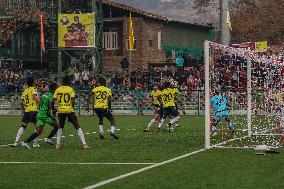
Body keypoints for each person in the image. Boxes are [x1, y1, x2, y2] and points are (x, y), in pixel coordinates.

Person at [53, 76, 89, 149]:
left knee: (60, 127)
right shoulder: (70, 89)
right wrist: (72, 108)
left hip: (61, 111)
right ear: (68, 82)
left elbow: (52, 102)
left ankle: (58, 145)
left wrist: (54, 110)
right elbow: (72, 100)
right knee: (77, 126)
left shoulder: (58, 89)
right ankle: (84, 144)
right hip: (69, 110)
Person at [21, 83, 59, 149]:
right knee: (57, 126)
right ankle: (48, 139)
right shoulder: (51, 95)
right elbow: (50, 105)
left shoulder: (44, 94)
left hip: (39, 114)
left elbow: (39, 102)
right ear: (54, 89)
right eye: (56, 88)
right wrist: (55, 110)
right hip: (44, 114)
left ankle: (25, 142)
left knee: (38, 132)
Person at [12, 77, 40, 147]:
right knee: (38, 127)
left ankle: (16, 142)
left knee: (23, 126)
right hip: (33, 110)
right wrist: (40, 101)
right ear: (33, 82)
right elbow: (34, 97)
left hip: (27, 111)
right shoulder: (33, 89)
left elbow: (21, 102)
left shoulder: (25, 91)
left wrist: (24, 109)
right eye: (34, 81)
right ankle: (35, 143)